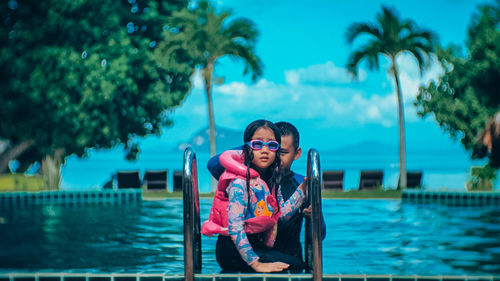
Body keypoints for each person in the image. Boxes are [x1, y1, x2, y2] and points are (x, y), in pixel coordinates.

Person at [206, 121, 326, 268]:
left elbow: (278, 216)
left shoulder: (291, 183)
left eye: (276, 148)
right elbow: (213, 164)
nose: (266, 151)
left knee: (296, 266)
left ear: (297, 153)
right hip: (246, 252)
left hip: (282, 253)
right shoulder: (244, 180)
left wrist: (308, 205)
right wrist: (257, 143)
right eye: (258, 145)